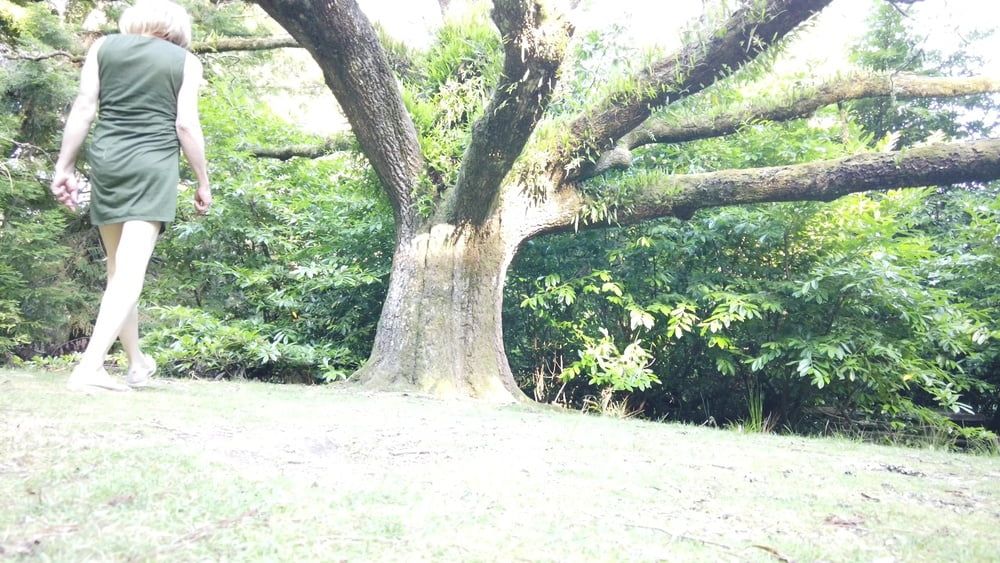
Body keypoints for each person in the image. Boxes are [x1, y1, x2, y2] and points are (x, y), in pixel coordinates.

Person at [50, 0, 211, 392]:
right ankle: (89, 368)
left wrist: (64, 167)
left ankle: (137, 363)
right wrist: (203, 179)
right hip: (152, 165)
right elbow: (185, 125)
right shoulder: (185, 62)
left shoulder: (103, 48)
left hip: (108, 162)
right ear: (175, 26)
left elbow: (86, 107)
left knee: (117, 271)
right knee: (130, 273)